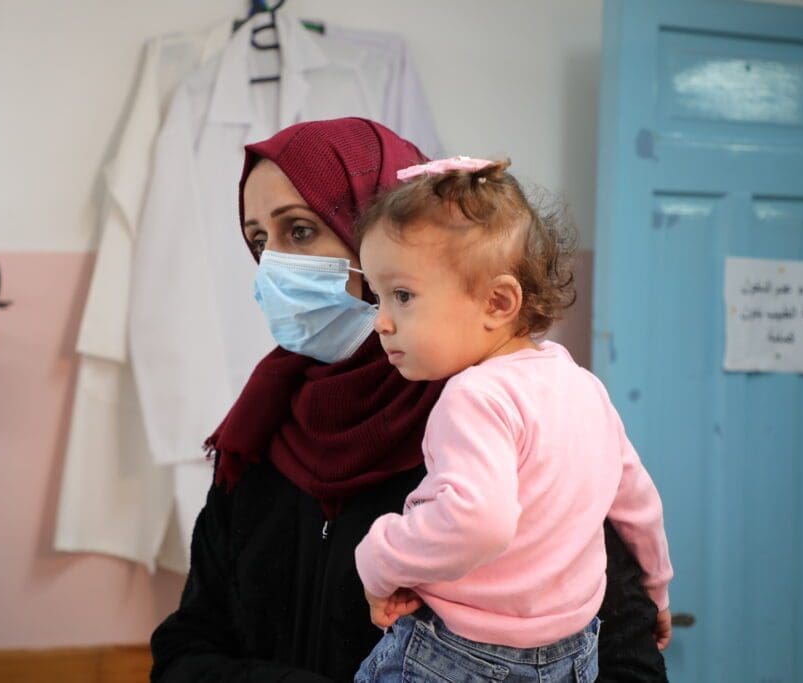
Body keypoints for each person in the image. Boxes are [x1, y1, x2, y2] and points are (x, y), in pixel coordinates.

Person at [149, 118, 671, 682]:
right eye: (257, 241)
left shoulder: (500, 424)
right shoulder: (258, 434)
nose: (272, 265)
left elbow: (627, 664)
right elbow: (184, 652)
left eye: (299, 231)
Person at [351, 156, 674, 681]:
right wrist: (657, 588)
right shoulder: (582, 384)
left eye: (402, 296)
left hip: (460, 656)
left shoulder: (474, 395)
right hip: (573, 654)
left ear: (498, 301)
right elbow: (638, 502)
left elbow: (478, 523)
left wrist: (381, 555)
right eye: (378, 296)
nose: (382, 321)